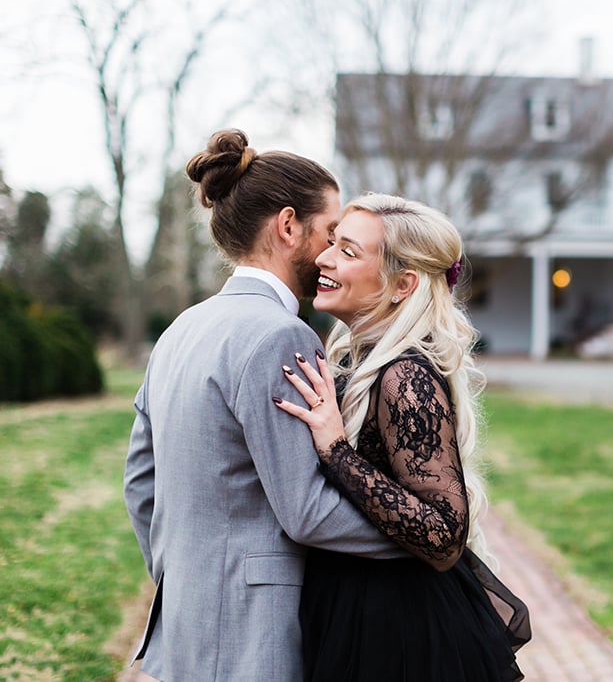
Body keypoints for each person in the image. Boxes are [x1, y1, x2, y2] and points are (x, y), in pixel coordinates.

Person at [123, 130, 405, 681]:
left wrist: (184, 575)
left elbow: (140, 484)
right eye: (329, 234)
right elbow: (306, 511)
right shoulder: (281, 336)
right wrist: (422, 539)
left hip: (188, 626)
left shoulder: (181, 329)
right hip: (255, 634)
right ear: (287, 226)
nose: (331, 254)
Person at [272, 192, 529, 682]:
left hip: (399, 629)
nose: (323, 258)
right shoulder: (361, 364)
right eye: (332, 243)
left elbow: (444, 535)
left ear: (401, 285)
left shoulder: (405, 377)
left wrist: (336, 452)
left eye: (348, 251)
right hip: (354, 608)